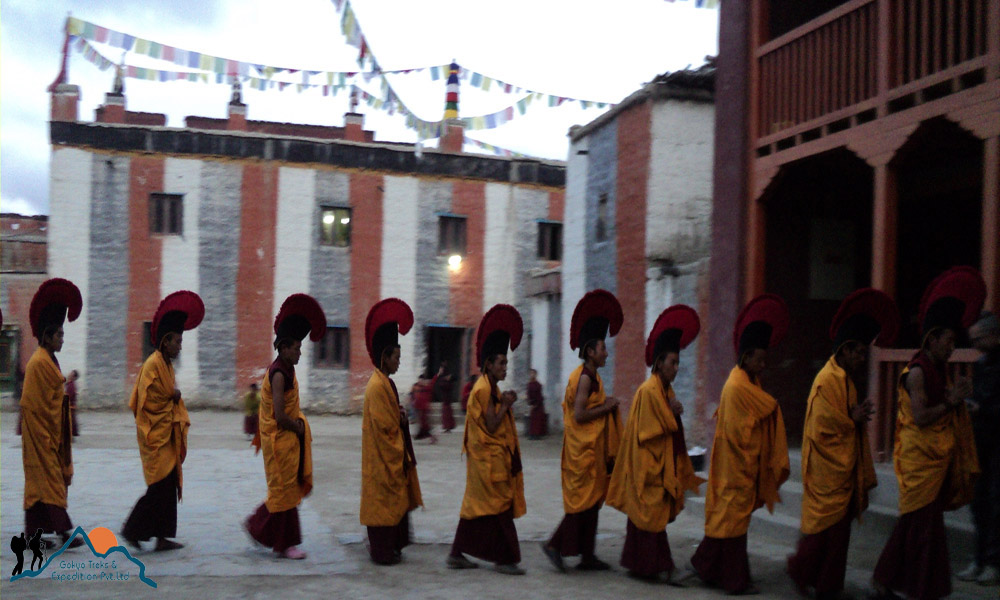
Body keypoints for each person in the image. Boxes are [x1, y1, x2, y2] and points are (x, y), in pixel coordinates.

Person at [873, 267, 985, 600]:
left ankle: (883, 584)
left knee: (916, 528)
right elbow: (921, 417)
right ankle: (917, 590)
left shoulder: (937, 369)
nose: (952, 347)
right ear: (932, 338)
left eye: (955, 341)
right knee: (920, 530)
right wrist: (952, 402)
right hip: (919, 461)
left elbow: (947, 405)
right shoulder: (918, 372)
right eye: (948, 340)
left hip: (932, 463)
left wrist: (963, 403)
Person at [787, 289, 899, 599]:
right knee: (825, 534)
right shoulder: (828, 379)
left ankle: (826, 585)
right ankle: (801, 571)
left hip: (842, 470)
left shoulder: (844, 379)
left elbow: (844, 418)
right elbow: (822, 426)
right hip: (829, 471)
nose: (863, 359)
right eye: (860, 352)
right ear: (847, 349)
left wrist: (855, 416)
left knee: (837, 536)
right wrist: (852, 418)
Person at [691, 294, 791, 595]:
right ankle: (735, 582)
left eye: (764, 359)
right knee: (732, 524)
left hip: (740, 466)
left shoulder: (748, 381)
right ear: (745, 356)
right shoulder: (736, 385)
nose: (763, 365)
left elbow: (758, 416)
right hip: (735, 466)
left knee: (730, 523)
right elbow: (751, 421)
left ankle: (704, 566)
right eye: (759, 359)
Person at [607, 304, 705, 583]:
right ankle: (664, 567)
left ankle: (640, 565)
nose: (676, 368)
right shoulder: (649, 390)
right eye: (672, 362)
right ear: (659, 361)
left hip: (657, 463)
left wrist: (671, 411)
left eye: (677, 363)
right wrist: (671, 414)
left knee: (647, 518)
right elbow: (649, 430)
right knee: (651, 517)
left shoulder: (664, 389)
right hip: (647, 464)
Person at [543, 289, 623, 572]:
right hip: (583, 453)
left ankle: (587, 556)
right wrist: (608, 407)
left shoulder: (593, 376)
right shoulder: (585, 379)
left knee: (591, 504)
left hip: (592, 451)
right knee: (582, 504)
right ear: (590, 351)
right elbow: (579, 415)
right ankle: (553, 545)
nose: (606, 352)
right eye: (603, 347)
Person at [448, 304, 527, 575]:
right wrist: (505, 405)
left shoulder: (490, 386)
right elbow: (492, 426)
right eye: (501, 363)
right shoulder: (482, 389)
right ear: (489, 364)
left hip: (490, 460)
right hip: (487, 460)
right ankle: (505, 558)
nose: (505, 368)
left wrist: (504, 400)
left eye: (506, 362)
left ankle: (457, 553)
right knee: (498, 507)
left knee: (477, 508)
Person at [121, 291, 204, 552]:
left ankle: (162, 537)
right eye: (177, 341)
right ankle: (131, 530)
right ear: (166, 341)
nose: (180, 346)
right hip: (154, 436)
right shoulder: (152, 364)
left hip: (166, 436)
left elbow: (166, 395)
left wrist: (173, 397)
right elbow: (146, 403)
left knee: (168, 487)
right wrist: (173, 397)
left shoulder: (166, 365)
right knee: (158, 488)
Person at [245, 294, 325, 560]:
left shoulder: (286, 369)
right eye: (297, 347)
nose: (300, 352)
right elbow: (279, 415)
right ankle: (281, 543)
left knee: (286, 490)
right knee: (282, 492)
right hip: (280, 439)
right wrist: (298, 428)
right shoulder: (279, 373)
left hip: (286, 440)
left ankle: (258, 527)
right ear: (284, 347)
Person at [21, 278, 84, 549]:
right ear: (46, 336)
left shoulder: (47, 360)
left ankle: (33, 535)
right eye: (58, 335)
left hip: (47, 432)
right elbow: (38, 401)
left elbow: (54, 392)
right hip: (40, 434)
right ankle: (63, 531)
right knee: (51, 482)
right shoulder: (38, 362)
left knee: (39, 486)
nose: (61, 340)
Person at [361, 298, 423, 565]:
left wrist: (400, 418)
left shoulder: (386, 382)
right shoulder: (376, 386)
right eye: (396, 357)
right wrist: (398, 421)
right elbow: (385, 427)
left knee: (396, 500)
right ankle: (382, 551)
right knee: (384, 503)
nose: (399, 362)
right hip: (382, 458)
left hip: (389, 456)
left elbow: (392, 417)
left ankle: (393, 547)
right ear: (385, 356)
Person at [958, 311, 1000, 585]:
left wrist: (982, 408)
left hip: (999, 441)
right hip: (981, 439)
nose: (975, 345)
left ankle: (994, 563)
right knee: (978, 501)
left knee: (997, 503)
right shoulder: (982, 364)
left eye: (979, 339)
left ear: (994, 336)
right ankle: (979, 559)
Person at [412, 371, 437, 443]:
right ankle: (430, 437)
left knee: (425, 425)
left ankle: (432, 437)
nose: (420, 381)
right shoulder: (418, 387)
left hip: (425, 408)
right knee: (423, 424)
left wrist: (438, 374)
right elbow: (415, 396)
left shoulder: (427, 387)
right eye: (419, 380)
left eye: (421, 380)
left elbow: (433, 382)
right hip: (419, 408)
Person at [526, 369, 548, 439]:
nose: (532, 375)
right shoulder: (529, 384)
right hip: (532, 403)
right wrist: (530, 403)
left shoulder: (538, 385)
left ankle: (537, 434)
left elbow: (539, 395)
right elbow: (528, 394)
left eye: (533, 373)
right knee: (533, 420)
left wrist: (536, 404)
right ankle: (532, 434)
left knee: (538, 420)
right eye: (531, 373)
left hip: (538, 404)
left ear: (536, 375)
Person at [66, 370, 79, 436]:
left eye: (71, 374)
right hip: (70, 405)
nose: (69, 374)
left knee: (70, 421)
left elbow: (69, 395)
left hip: (70, 405)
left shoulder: (71, 385)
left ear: (74, 377)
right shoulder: (70, 384)